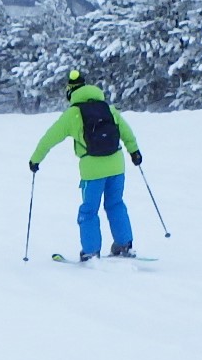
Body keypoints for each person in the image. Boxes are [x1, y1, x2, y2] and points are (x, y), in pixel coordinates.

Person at [28, 70, 143, 261]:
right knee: (115, 204)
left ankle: (91, 251)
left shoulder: (72, 114)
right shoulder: (108, 108)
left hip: (92, 171)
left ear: (70, 92)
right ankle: (124, 245)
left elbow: (49, 139)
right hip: (117, 165)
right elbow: (126, 132)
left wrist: (35, 160)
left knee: (89, 210)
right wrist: (135, 152)